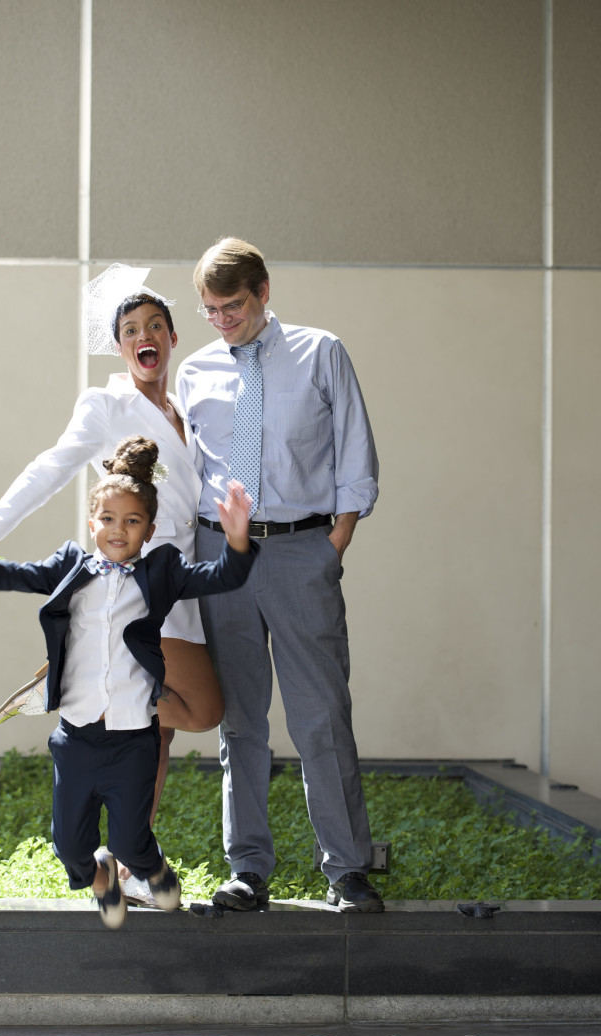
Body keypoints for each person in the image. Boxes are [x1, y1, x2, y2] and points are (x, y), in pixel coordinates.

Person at [0, 264, 221, 904]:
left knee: (159, 730)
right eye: (131, 329)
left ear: (173, 336)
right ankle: (93, 679)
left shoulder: (190, 409)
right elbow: (50, 468)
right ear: (120, 344)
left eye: (155, 324)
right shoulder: (106, 404)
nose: (144, 335)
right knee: (201, 711)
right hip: (139, 585)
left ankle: (131, 855)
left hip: (182, 578)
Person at [0, 436, 257, 928]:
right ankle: (100, 876)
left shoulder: (161, 572)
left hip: (132, 740)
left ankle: (150, 868)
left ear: (149, 529)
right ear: (91, 522)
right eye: (107, 519)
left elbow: (224, 576)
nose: (117, 530)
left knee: (129, 839)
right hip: (77, 736)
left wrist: (237, 539)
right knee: (69, 846)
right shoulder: (70, 568)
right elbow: (17, 574)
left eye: (132, 521)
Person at [176, 237, 384, 914]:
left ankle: (349, 870)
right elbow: (188, 472)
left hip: (300, 549)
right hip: (222, 557)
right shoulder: (196, 370)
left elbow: (355, 448)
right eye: (209, 310)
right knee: (242, 719)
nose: (221, 321)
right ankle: (249, 870)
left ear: (264, 291)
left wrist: (336, 540)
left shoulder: (322, 353)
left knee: (321, 714)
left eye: (231, 306)